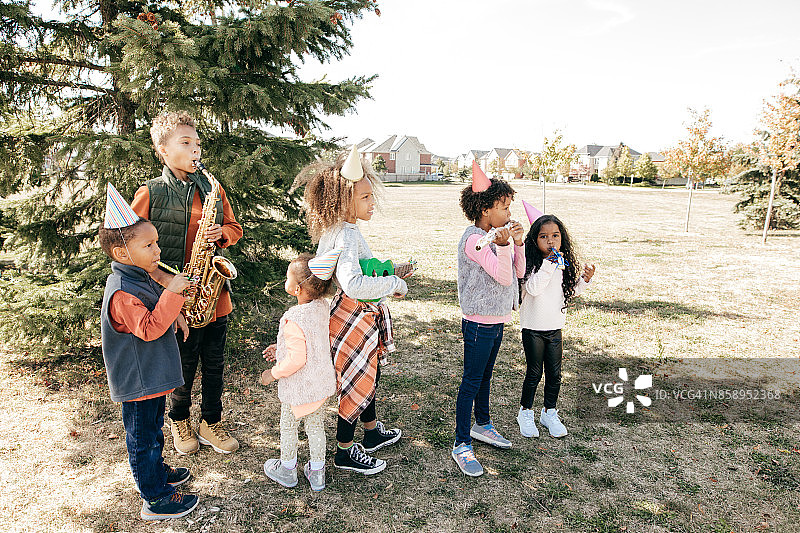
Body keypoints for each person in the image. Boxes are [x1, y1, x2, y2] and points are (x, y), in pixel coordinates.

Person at [131, 111, 243, 455]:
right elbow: (131, 249)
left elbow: (235, 229)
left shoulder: (213, 188)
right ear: (162, 150)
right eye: (186, 143)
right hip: (176, 295)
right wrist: (168, 284)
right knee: (183, 363)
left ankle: (211, 421)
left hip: (214, 293)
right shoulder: (150, 192)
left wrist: (220, 233)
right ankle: (178, 419)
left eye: (197, 143)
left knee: (214, 362)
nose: (196, 150)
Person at [297, 145, 411, 475]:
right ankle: (345, 451)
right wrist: (394, 285)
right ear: (344, 199)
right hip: (350, 318)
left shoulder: (344, 230)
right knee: (355, 381)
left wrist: (392, 270)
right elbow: (354, 284)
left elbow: (364, 268)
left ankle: (372, 432)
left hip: (355, 318)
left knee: (367, 373)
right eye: (364, 197)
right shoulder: (344, 235)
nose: (371, 202)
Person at [99, 183, 199, 520]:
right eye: (149, 245)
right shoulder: (122, 291)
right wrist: (173, 293)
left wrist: (178, 316)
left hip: (150, 378)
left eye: (156, 242)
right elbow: (149, 327)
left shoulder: (139, 275)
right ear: (121, 254)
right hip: (138, 381)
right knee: (142, 438)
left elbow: (157, 312)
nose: (157, 250)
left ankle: (155, 472)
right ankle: (154, 498)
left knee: (154, 429)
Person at [453, 163, 525, 477]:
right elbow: (503, 276)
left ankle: (482, 425)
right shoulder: (474, 240)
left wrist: (518, 245)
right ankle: (461, 442)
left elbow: (520, 272)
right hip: (479, 322)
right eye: (504, 207)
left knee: (485, 378)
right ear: (485, 209)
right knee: (471, 381)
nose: (509, 213)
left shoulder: (494, 235)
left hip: (497, 319)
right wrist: (505, 246)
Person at [258, 251, 339, 491]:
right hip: (320, 383)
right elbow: (311, 341)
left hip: (299, 387)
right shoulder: (323, 307)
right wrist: (280, 346)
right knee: (315, 427)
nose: (285, 281)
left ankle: (287, 468)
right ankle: (317, 473)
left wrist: (272, 373)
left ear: (296, 290)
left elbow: (296, 359)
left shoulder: (293, 317)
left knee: (289, 426)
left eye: (287, 278)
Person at [516, 210, 595, 439]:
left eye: (556, 235)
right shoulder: (530, 263)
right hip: (533, 327)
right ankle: (525, 412)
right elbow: (533, 289)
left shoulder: (562, 264)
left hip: (554, 327)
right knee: (533, 373)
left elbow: (568, 292)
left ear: (563, 238)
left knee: (554, 374)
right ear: (534, 240)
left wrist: (585, 279)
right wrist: (550, 264)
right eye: (543, 236)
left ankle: (549, 412)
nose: (551, 241)